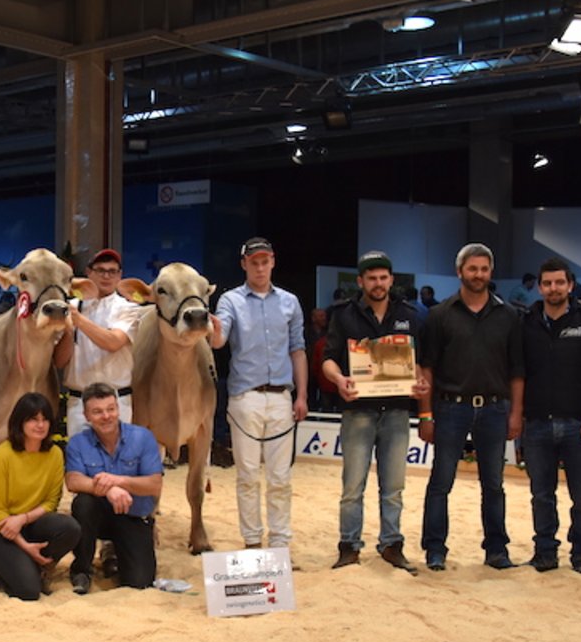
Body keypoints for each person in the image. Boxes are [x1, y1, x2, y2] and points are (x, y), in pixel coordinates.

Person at [417, 243, 523, 571]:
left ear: (491, 273)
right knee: (441, 482)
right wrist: (425, 414)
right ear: (459, 271)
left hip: (495, 409)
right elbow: (426, 369)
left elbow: (517, 371)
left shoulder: (509, 315)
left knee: (493, 484)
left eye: (484, 269)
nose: (479, 275)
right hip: (450, 409)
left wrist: (516, 413)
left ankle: (496, 550)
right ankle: (435, 549)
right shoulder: (439, 315)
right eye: (472, 269)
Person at [321, 251, 426, 571]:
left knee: (393, 486)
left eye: (383, 278)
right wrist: (339, 379)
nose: (378, 284)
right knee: (352, 486)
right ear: (361, 281)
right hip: (358, 412)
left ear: (391, 280)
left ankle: (391, 545)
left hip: (396, 411)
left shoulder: (410, 315)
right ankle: (349, 546)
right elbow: (328, 359)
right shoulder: (343, 315)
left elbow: (418, 362)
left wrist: (419, 383)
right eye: (372, 278)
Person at [211, 237, 307, 551]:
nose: (261, 267)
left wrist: (302, 395)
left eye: (265, 261)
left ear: (273, 262)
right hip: (245, 397)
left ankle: (279, 544)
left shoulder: (290, 302)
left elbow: (298, 350)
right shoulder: (230, 301)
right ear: (244, 264)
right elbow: (218, 340)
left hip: (282, 396)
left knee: (281, 477)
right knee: (248, 475)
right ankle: (252, 542)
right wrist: (208, 324)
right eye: (254, 262)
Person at [520, 258, 581, 576]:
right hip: (536, 422)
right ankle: (545, 553)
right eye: (548, 283)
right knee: (541, 495)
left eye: (559, 283)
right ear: (540, 287)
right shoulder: (525, 323)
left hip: (578, 422)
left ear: (570, 285)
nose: (554, 288)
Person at [0, 393, 81, 600]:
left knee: (70, 528)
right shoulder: (2, 455)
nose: (40, 425)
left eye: (45, 419)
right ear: (19, 422)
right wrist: (25, 546)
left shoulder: (55, 455)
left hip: (29, 523)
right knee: (29, 592)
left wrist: (23, 519)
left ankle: (37, 567)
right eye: (33, 419)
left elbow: (51, 502)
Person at [64, 382, 164, 594]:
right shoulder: (77, 443)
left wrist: (119, 481)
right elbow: (73, 481)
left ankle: (117, 555)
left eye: (110, 409)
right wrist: (109, 490)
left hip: (133, 514)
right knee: (83, 503)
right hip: (98, 516)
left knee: (140, 582)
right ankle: (82, 570)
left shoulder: (143, 437)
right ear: (86, 415)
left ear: (118, 409)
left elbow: (154, 484)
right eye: (97, 412)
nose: (106, 416)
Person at [54, 247, 142, 438]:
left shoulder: (129, 309)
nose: (106, 276)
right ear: (88, 273)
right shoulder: (72, 307)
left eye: (112, 271)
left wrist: (78, 320)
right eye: (100, 270)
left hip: (116, 400)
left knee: (116, 463)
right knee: (81, 463)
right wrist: (69, 332)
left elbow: (113, 343)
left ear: (120, 276)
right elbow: (59, 362)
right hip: (79, 402)